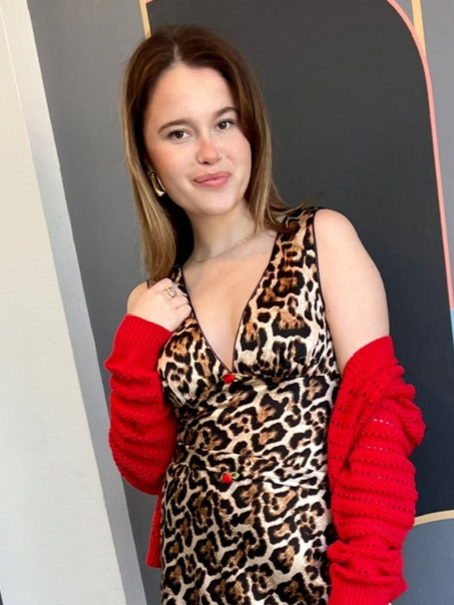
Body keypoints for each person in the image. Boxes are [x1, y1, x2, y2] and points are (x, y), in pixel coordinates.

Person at [105, 25, 425, 605]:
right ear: (148, 161)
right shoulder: (154, 302)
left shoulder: (320, 241)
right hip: (196, 585)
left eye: (224, 123)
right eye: (179, 132)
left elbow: (379, 421)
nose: (210, 151)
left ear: (250, 131)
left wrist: (362, 591)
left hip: (320, 585)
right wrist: (135, 344)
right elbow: (146, 469)